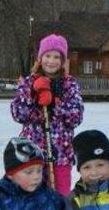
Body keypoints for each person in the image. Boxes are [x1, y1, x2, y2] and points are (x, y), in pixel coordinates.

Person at [10, 34, 85, 196]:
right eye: (48, 55)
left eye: (57, 57)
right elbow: (19, 114)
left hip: (61, 154)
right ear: (40, 57)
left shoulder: (69, 85)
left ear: (63, 60)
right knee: (32, 199)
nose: (51, 61)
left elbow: (76, 116)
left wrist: (55, 104)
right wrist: (33, 97)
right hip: (32, 154)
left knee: (60, 199)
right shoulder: (29, 82)